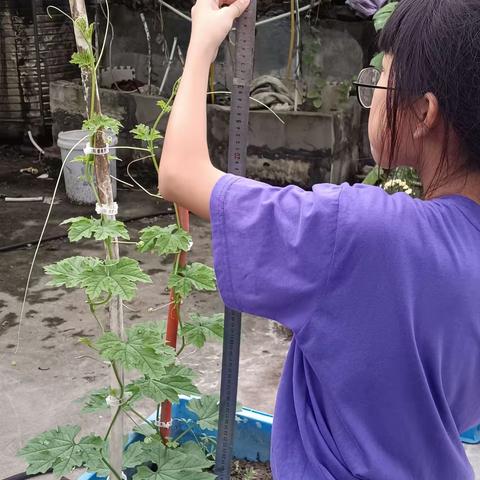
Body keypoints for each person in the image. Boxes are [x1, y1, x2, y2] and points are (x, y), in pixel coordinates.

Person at [158, 0, 480, 478]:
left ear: (423, 112)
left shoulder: (359, 231)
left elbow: (180, 175)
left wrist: (202, 43)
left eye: (380, 81)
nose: (370, 96)